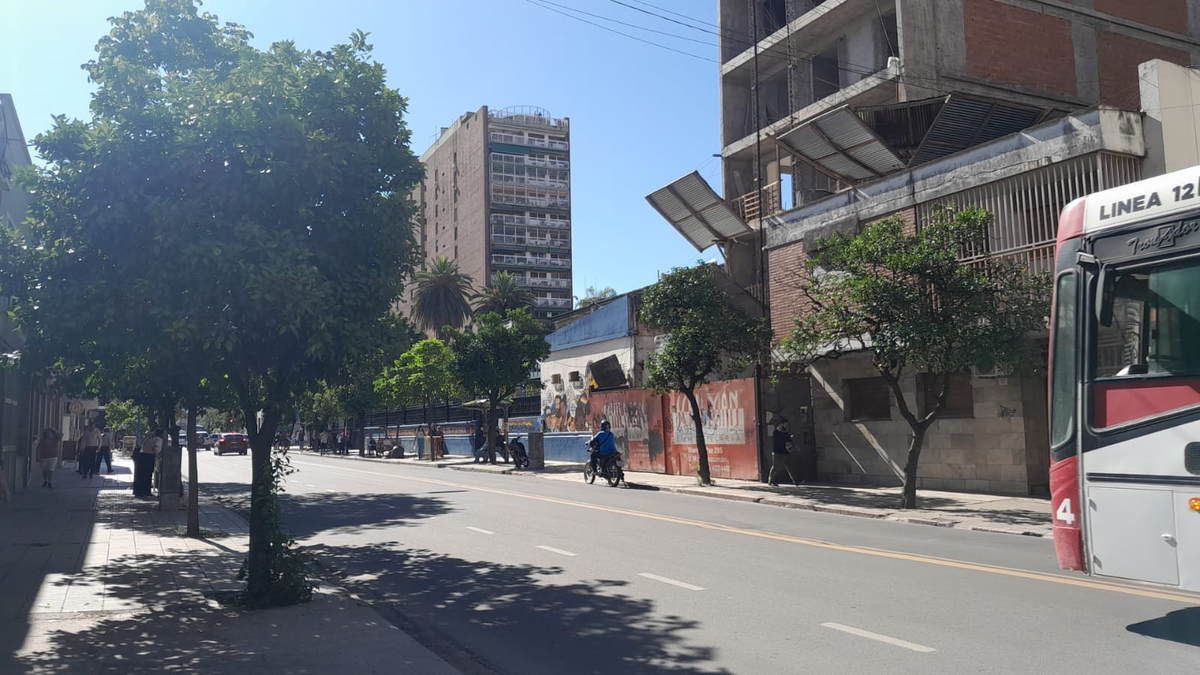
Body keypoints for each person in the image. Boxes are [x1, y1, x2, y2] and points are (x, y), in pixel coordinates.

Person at [768, 418, 799, 487]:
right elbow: (779, 441)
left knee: (790, 467)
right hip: (777, 453)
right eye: (785, 424)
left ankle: (796, 481)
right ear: (781, 424)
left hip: (785, 452)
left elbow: (789, 441)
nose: (786, 426)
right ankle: (771, 481)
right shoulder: (776, 432)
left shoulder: (786, 433)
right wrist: (786, 442)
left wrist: (791, 442)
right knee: (775, 467)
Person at [133, 429, 162, 497]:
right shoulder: (158, 439)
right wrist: (158, 456)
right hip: (149, 456)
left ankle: (139, 491)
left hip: (142, 455)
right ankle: (146, 491)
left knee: (141, 474)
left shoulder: (148, 437)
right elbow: (156, 449)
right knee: (148, 474)